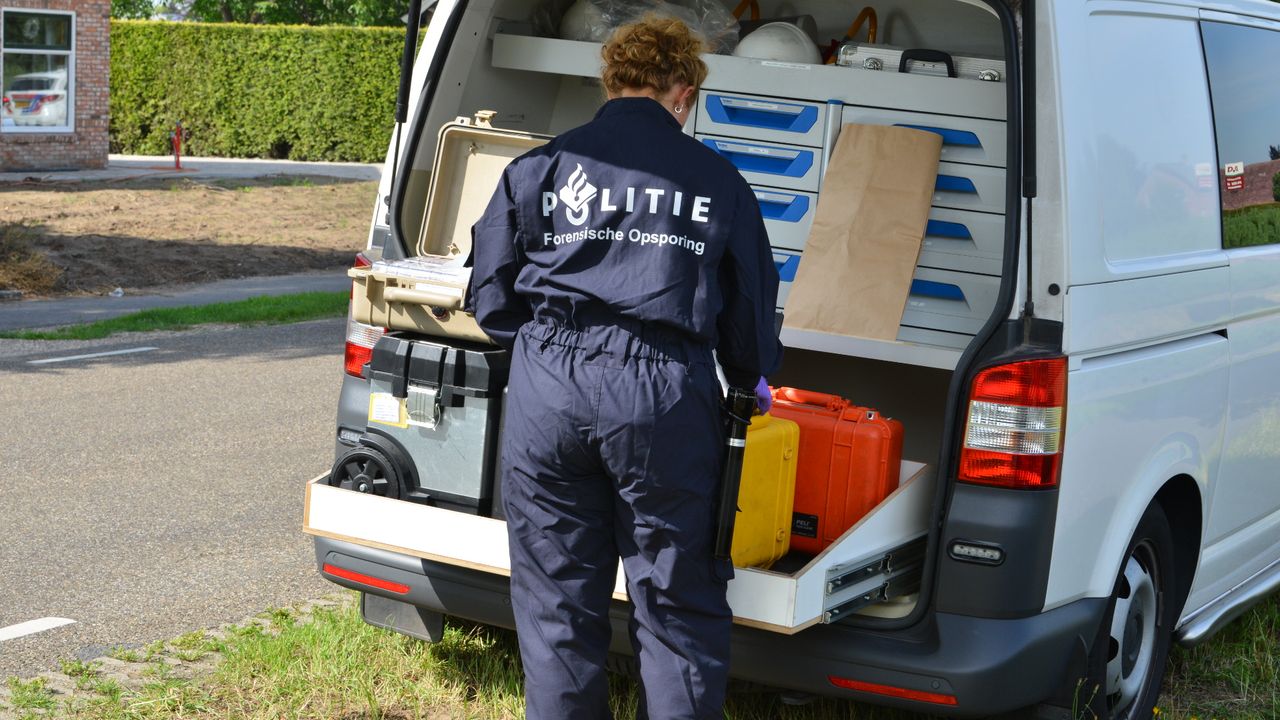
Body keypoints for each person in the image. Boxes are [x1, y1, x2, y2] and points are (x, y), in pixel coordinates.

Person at [467, 15, 782, 720]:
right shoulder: (718, 181)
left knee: (555, 606)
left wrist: (553, 348)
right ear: (684, 92)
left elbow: (490, 296)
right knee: (676, 605)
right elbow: (748, 316)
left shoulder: (537, 168)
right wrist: (754, 376)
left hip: (548, 386)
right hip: (661, 394)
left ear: (611, 83)